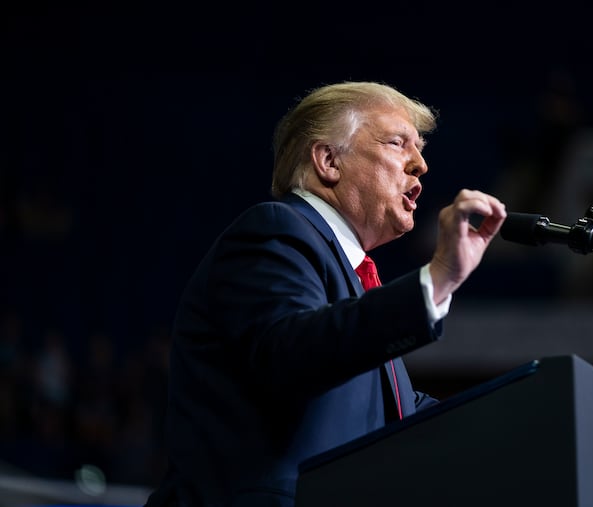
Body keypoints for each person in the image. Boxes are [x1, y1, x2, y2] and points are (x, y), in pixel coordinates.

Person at [144, 81, 507, 507]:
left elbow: (402, 417)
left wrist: (520, 424)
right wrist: (440, 277)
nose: (421, 165)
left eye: (420, 149)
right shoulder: (276, 229)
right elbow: (295, 351)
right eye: (397, 143)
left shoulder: (352, 284)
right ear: (329, 161)